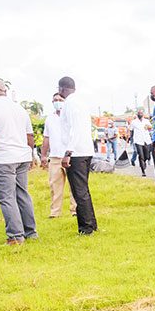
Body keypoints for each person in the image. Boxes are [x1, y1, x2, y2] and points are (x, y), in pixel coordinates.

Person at [0, 78, 37, 244]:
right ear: (5, 91)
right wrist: (30, 155)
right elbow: (29, 136)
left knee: (6, 198)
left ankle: (15, 236)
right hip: (22, 157)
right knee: (22, 194)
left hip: (1, 159)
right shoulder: (19, 109)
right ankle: (30, 232)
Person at [58, 76, 97, 235]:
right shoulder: (81, 102)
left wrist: (68, 153)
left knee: (79, 192)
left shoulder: (70, 103)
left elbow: (74, 130)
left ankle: (86, 228)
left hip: (76, 153)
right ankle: (91, 224)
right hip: (85, 150)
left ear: (61, 88)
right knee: (83, 190)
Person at [41, 92, 77, 218]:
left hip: (70, 156)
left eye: (60, 99)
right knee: (55, 186)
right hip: (55, 156)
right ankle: (55, 212)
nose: (57, 102)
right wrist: (43, 155)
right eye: (55, 99)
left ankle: (75, 211)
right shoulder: (49, 118)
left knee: (74, 185)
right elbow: (46, 138)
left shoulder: (70, 116)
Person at [129, 110, 152, 177]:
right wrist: (130, 139)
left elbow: (150, 128)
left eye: (141, 113)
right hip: (138, 141)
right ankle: (143, 171)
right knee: (141, 155)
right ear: (137, 114)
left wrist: (148, 127)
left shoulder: (146, 121)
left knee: (147, 156)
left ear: (143, 114)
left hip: (147, 140)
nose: (140, 114)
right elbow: (131, 130)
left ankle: (144, 162)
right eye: (139, 113)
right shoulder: (134, 122)